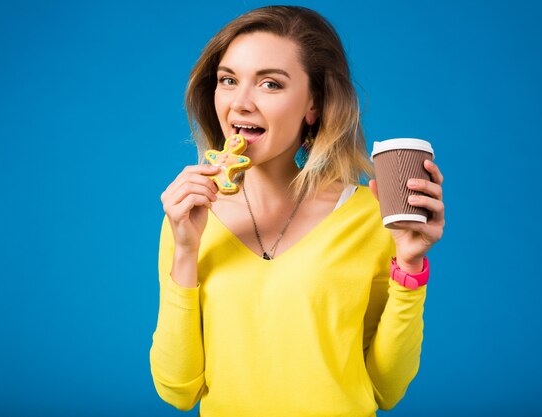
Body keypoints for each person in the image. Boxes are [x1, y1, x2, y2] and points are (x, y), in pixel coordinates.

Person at [150, 5, 445, 417]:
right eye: (228, 80)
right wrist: (184, 250)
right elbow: (177, 391)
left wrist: (410, 265)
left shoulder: (369, 217)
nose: (240, 102)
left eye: (270, 84)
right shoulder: (190, 216)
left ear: (313, 105)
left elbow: (386, 388)